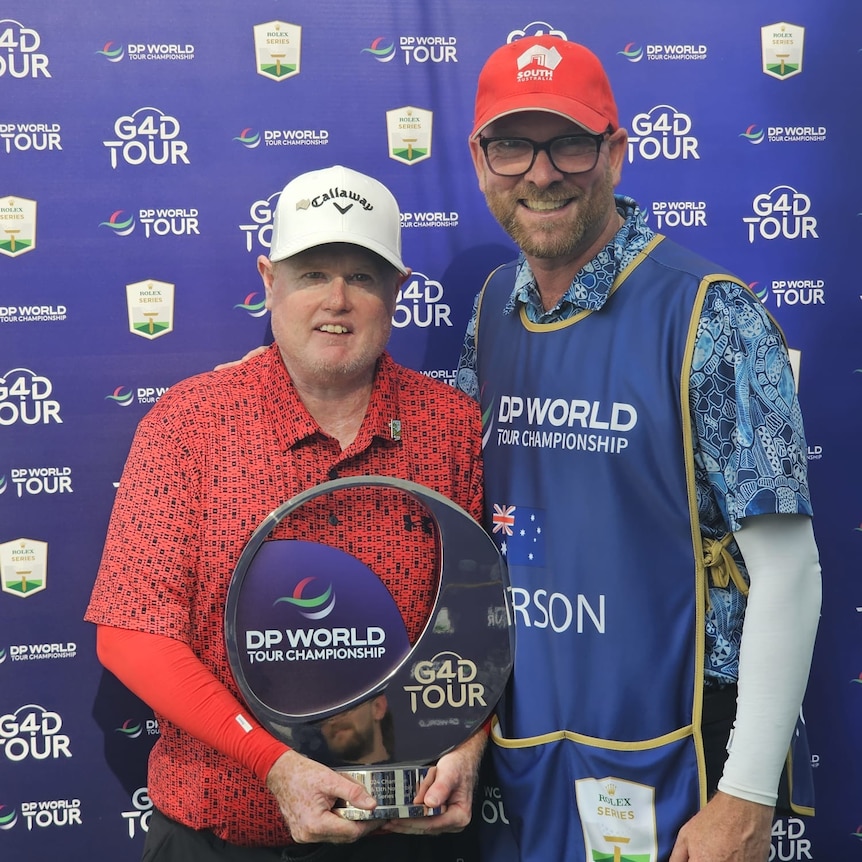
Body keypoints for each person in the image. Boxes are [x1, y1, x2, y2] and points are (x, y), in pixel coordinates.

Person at [455, 36, 822, 862]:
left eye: (570, 143)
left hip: (685, 761)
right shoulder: (492, 309)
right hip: (532, 752)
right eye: (512, 145)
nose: (540, 174)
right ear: (479, 160)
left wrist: (746, 795)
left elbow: (791, 571)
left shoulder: (712, 314)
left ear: (616, 154)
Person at [85, 165, 487, 862]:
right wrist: (274, 765)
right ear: (269, 281)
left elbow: (483, 618)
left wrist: (472, 742)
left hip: (403, 837)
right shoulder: (189, 423)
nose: (337, 299)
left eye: (362, 276)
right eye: (310, 274)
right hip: (220, 841)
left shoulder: (450, 426)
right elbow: (131, 633)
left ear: (397, 291)